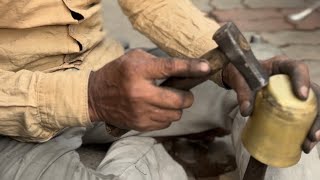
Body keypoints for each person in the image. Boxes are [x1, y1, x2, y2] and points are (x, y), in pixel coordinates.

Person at [0, 0, 319, 179]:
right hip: (16, 117)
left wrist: (231, 61)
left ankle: (152, 151)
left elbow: (153, 4)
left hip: (107, 67)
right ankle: (159, 155)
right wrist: (91, 97)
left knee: (282, 105)